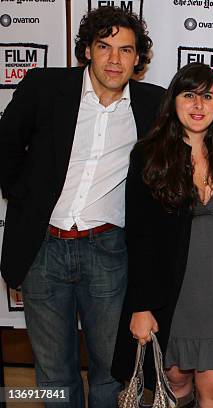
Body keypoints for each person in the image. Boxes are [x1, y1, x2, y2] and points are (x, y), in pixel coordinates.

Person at [0, 7, 163, 407]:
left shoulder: (153, 105)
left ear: (137, 58)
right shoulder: (45, 87)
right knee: (54, 371)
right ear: (86, 50)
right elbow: (5, 146)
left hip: (108, 252)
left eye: (126, 50)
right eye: (104, 47)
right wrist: (26, 197)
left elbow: (203, 131)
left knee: (112, 369)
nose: (114, 59)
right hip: (43, 249)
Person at [110, 62, 213, 407]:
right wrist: (141, 306)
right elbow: (138, 236)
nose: (198, 106)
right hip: (170, 296)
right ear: (174, 101)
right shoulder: (149, 155)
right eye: (189, 96)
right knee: (175, 388)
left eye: (208, 96)